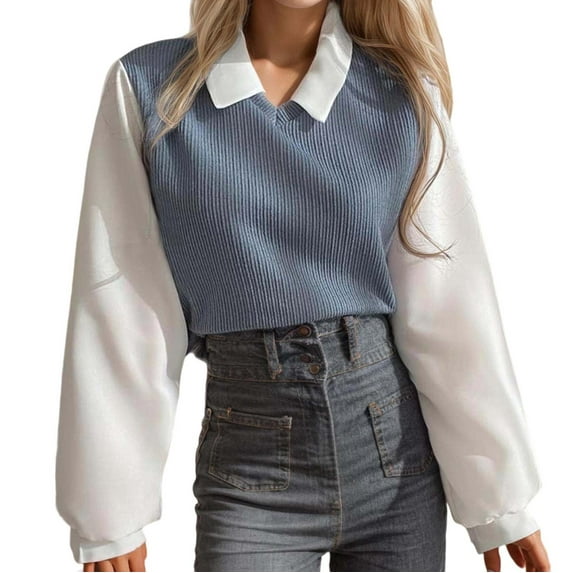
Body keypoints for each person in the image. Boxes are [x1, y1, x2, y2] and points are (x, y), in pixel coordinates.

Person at [55, 0, 551, 571]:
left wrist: (499, 501)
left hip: (395, 460)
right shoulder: (151, 88)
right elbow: (121, 303)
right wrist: (109, 515)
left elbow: (448, 305)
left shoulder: (403, 91)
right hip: (251, 465)